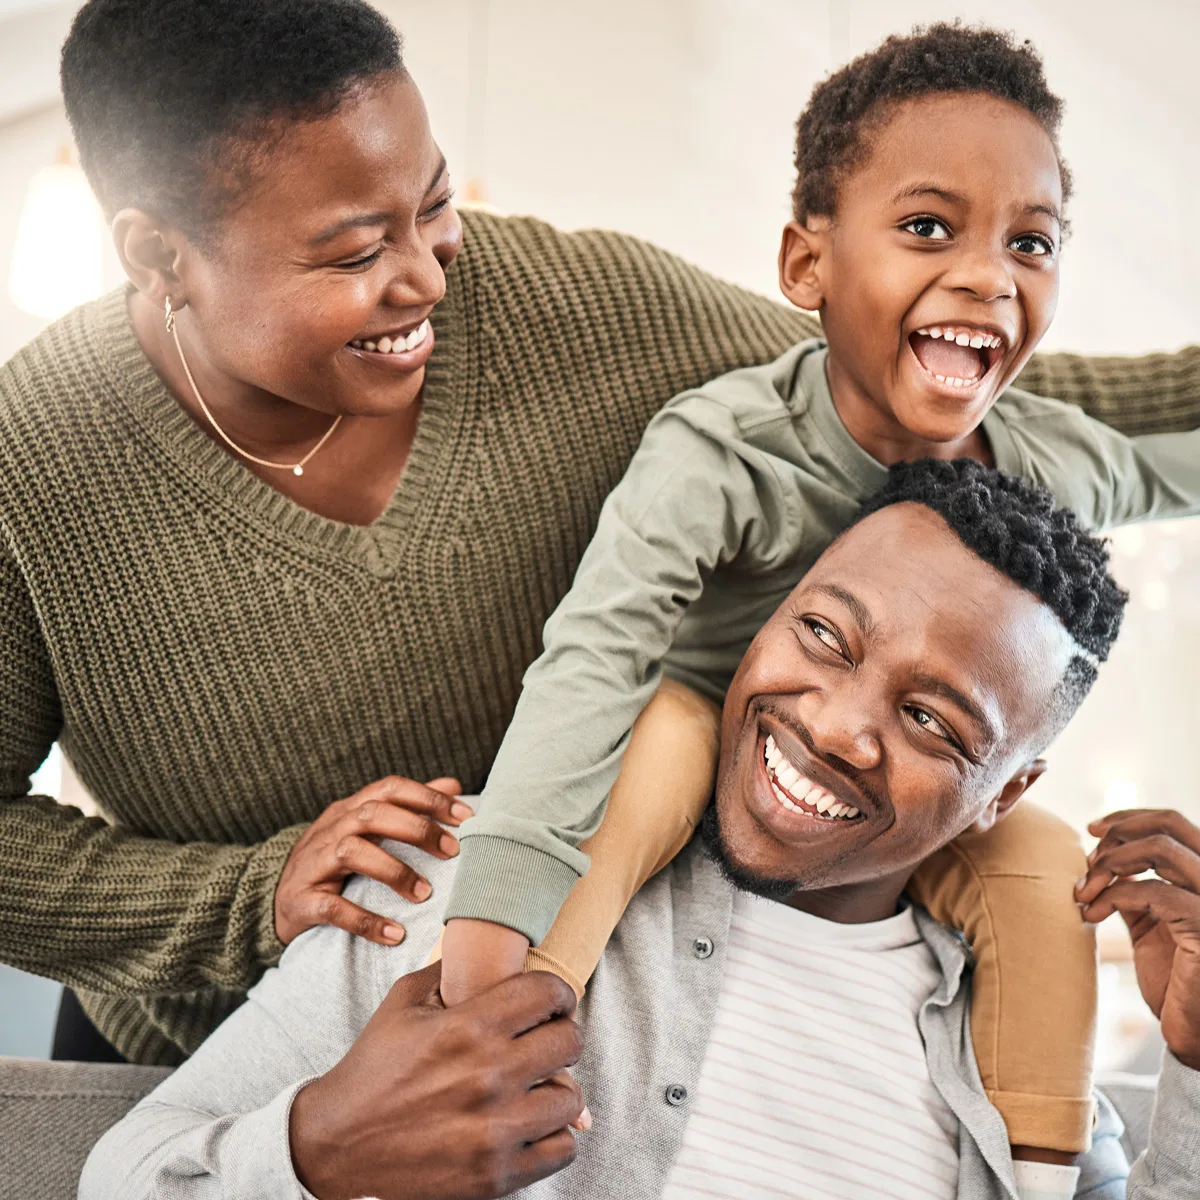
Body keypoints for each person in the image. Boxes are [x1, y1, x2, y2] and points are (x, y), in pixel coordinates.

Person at [0, 0, 1194, 1070]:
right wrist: (247, 898)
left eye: (435, 206)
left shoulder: (581, 312)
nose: (426, 276)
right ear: (161, 255)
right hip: (180, 1054)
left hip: (544, 1030)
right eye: (359, 251)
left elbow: (904, 371)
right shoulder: (33, 466)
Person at [434, 23, 1200, 1173]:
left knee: (1045, 865)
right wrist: (489, 928)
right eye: (930, 228)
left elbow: (1163, 469)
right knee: (660, 737)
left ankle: (1040, 1177)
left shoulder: (1054, 458)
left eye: (1030, 244)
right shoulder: (725, 447)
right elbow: (594, 657)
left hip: (873, 809)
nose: (989, 273)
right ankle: (502, 1043)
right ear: (808, 267)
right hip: (712, 745)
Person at [79, 461, 1200, 1200]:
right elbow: (122, 1178)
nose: (840, 728)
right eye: (824, 635)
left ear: (1008, 794)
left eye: (928, 720)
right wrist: (315, 1149)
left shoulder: (1011, 1048)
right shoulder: (480, 897)